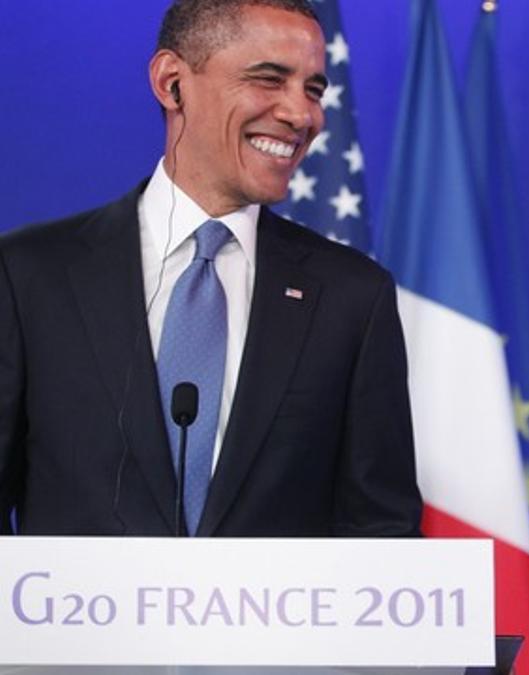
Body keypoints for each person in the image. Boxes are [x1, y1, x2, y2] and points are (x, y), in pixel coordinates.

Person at [0, 0, 422, 537]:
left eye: (314, 90)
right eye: (269, 79)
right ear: (172, 83)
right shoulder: (27, 277)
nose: (303, 115)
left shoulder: (353, 297)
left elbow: (382, 532)